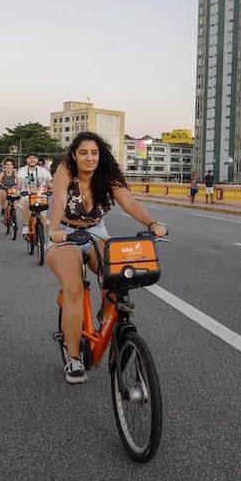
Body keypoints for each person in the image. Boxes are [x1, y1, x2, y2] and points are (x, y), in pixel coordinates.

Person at [47, 132, 167, 384]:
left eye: (94, 153)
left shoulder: (107, 175)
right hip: (65, 233)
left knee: (115, 276)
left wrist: (152, 223)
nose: (89, 158)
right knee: (74, 288)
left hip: (96, 230)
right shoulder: (65, 170)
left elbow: (129, 202)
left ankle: (104, 319)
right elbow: (58, 200)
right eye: (83, 153)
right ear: (73, 155)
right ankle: (73, 357)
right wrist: (55, 228)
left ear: (100, 155)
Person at [17, 152, 53, 238]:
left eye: (34, 158)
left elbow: (49, 182)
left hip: (40, 195)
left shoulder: (43, 170)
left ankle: (41, 238)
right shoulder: (22, 170)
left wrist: (51, 188)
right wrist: (19, 189)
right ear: (26, 160)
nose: (32, 160)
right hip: (26, 194)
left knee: (43, 217)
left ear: (37, 160)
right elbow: (20, 181)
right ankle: (26, 226)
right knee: (27, 203)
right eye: (30, 158)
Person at [0, 157, 19, 224]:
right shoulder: (2, 173)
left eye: (10, 165)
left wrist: (19, 185)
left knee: (15, 202)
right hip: (4, 188)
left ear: (13, 165)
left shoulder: (15, 172)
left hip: (12, 188)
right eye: (7, 165)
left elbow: (18, 179)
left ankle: (12, 215)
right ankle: (3, 209)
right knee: (2, 194)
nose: (9, 166)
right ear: (5, 166)